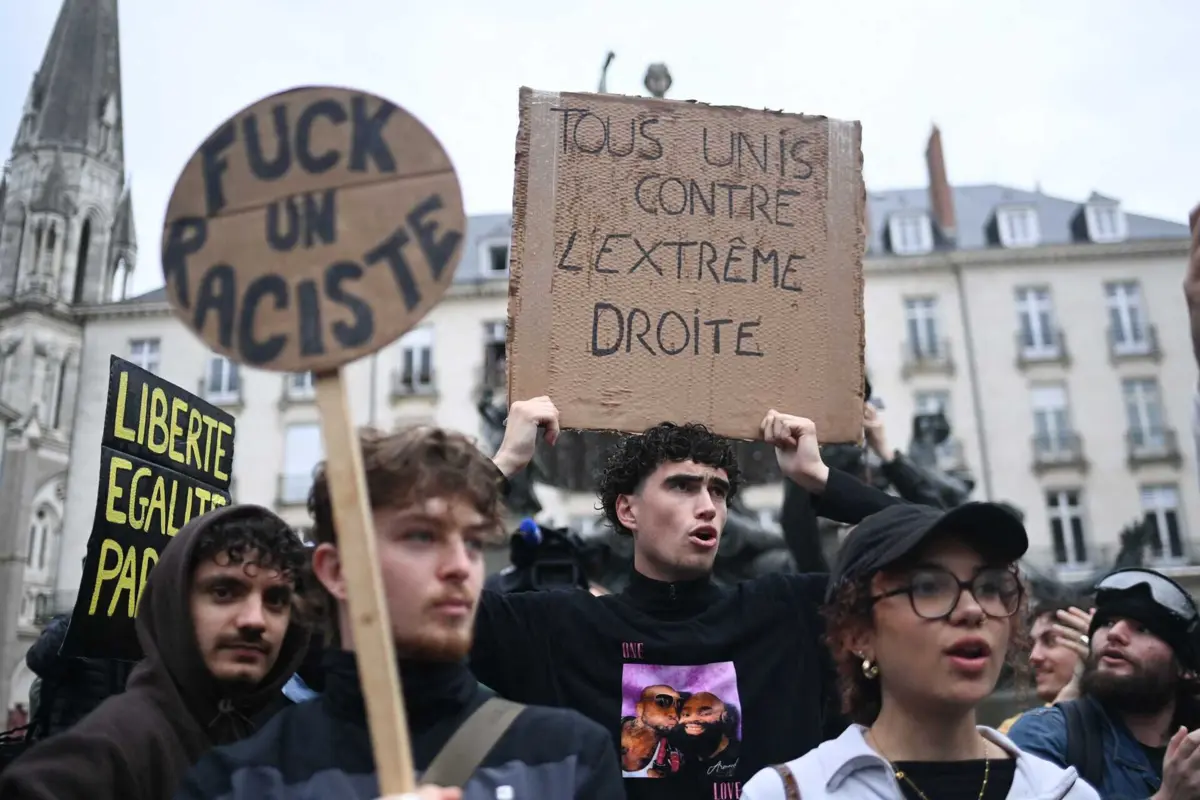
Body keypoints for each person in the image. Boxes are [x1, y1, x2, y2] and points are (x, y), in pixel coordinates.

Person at [475, 399, 900, 799]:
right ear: (628, 511)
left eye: (718, 491)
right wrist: (502, 465)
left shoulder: (792, 613)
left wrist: (818, 478)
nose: (707, 507)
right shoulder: (562, 630)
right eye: (682, 486)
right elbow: (409, 604)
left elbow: (935, 551)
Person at [176, 425, 624, 799]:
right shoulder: (236, 782)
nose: (460, 568)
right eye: (422, 537)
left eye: (470, 542)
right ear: (336, 570)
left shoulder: (569, 759)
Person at [740, 502, 1099, 799]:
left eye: (991, 586)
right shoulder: (790, 792)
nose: (972, 610)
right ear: (858, 633)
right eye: (928, 587)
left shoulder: (1062, 793)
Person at [0, 504, 309, 800]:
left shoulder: (288, 746)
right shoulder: (112, 752)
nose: (255, 619)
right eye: (224, 592)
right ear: (175, 605)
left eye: (276, 599)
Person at [1009, 568, 1200, 798]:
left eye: (1143, 628)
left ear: (1185, 667)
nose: (1114, 633)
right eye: (1107, 623)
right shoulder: (1046, 735)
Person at [996, 597, 1093, 734]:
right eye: (1031, 645)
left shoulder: (1130, 720)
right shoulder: (1012, 731)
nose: (1034, 656)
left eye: (1050, 641)